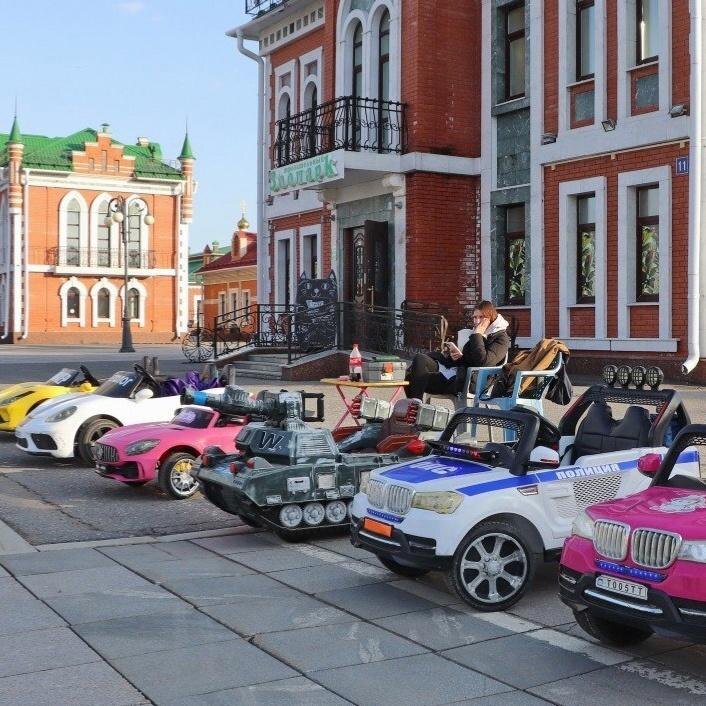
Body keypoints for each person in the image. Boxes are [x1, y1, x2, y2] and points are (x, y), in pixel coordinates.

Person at [405, 301, 511, 400]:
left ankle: (414, 406)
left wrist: (478, 335)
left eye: (481, 317)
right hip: (457, 372)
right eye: (474, 317)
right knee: (419, 360)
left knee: (414, 378)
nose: (476, 321)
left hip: (469, 381)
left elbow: (483, 362)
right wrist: (456, 357)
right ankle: (415, 405)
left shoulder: (501, 338)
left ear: (490, 318)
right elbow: (468, 360)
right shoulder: (478, 334)